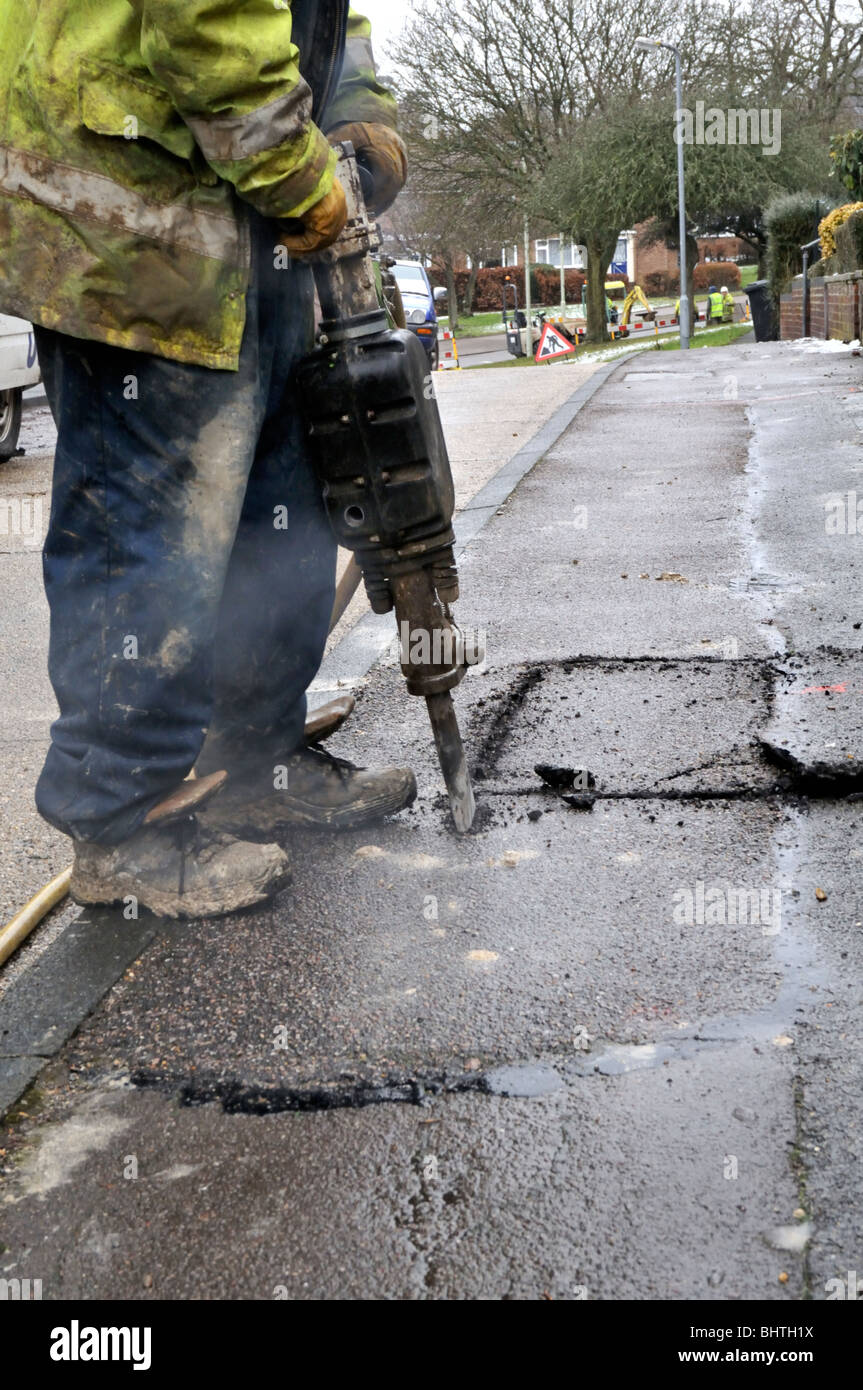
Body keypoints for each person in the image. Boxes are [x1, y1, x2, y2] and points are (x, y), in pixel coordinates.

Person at [0, 2, 414, 919]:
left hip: (243, 215)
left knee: (280, 499)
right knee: (148, 530)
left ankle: (249, 761)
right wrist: (304, 175)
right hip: (129, 204)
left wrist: (359, 115)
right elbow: (209, 19)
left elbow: (324, 21)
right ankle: (119, 821)